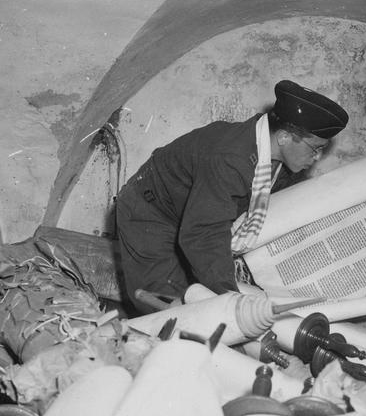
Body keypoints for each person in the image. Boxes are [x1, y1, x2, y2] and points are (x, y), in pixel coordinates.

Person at [115, 80, 349, 314]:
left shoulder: (278, 160)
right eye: (315, 148)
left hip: (190, 218)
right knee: (169, 309)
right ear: (285, 137)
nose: (317, 157)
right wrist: (231, 298)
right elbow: (202, 234)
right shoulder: (230, 158)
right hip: (151, 214)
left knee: (200, 299)